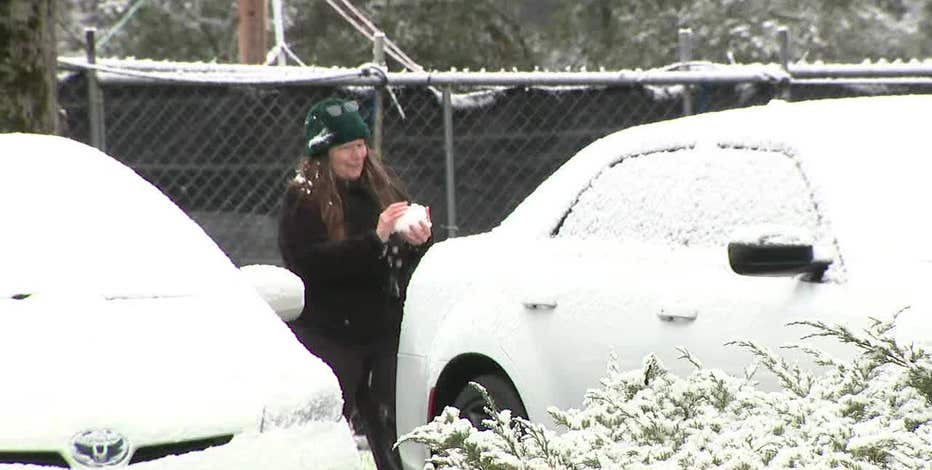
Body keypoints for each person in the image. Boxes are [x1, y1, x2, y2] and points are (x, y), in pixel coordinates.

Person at [278, 97, 431, 470]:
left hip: (383, 328)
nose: (357, 155)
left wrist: (417, 239)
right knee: (328, 427)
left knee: (397, 422)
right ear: (325, 151)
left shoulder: (382, 185)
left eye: (361, 145)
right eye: (347, 147)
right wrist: (374, 240)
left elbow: (401, 256)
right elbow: (308, 264)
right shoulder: (304, 196)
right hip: (329, 332)